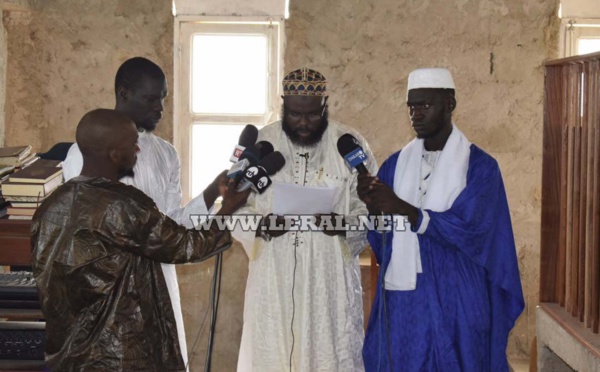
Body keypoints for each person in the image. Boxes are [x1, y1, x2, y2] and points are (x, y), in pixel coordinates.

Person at [31, 109, 250, 371]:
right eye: (132, 143)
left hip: (68, 356)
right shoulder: (123, 206)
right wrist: (226, 209)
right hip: (119, 356)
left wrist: (212, 191)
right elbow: (185, 245)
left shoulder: (49, 207)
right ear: (114, 154)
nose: (137, 149)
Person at [62, 57, 226, 365]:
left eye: (163, 99)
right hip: (109, 295)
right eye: (151, 99)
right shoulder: (87, 153)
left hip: (160, 285)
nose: (160, 108)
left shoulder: (166, 154)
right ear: (123, 94)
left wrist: (212, 194)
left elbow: (171, 225)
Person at [358, 68, 524, 371]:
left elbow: (473, 230)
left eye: (424, 105)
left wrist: (404, 209)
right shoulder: (394, 165)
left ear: (450, 103)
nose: (415, 114)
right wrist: (373, 209)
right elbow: (383, 242)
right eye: (410, 106)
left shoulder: (480, 168)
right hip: (405, 298)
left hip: (457, 294)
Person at [232, 68, 378, 372]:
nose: (303, 123)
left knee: (328, 355)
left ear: (325, 104)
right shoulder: (261, 145)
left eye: (312, 115)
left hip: (329, 279)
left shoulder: (349, 145)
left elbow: (370, 211)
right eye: (295, 114)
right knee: (271, 351)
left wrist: (342, 225)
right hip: (273, 274)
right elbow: (234, 207)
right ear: (284, 103)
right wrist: (260, 226)